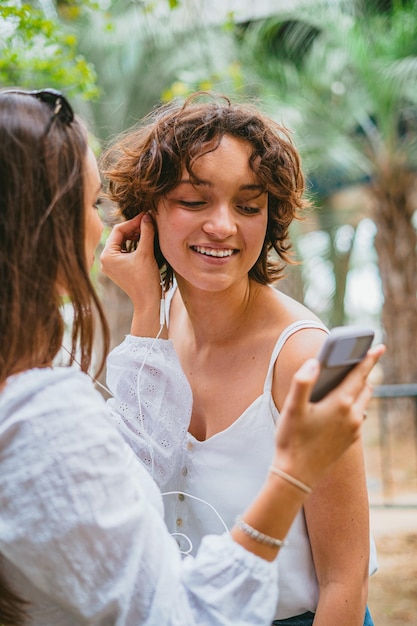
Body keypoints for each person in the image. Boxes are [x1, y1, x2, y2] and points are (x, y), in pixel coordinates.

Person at [0, 88, 384, 626]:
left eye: (248, 206)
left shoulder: (299, 357)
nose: (223, 225)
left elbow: (346, 579)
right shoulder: (150, 339)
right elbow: (141, 468)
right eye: (193, 201)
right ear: (147, 212)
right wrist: (147, 311)